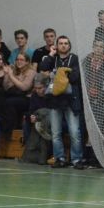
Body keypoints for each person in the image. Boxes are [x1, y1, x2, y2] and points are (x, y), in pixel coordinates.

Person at [39, 35, 85, 169]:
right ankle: (59, 158)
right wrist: (51, 54)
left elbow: (75, 77)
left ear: (69, 46)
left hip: (71, 101)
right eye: (60, 43)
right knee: (56, 133)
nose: (63, 45)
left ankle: (77, 159)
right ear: (56, 46)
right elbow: (42, 67)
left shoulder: (74, 58)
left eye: (66, 43)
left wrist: (57, 74)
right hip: (55, 101)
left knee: (74, 132)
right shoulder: (53, 58)